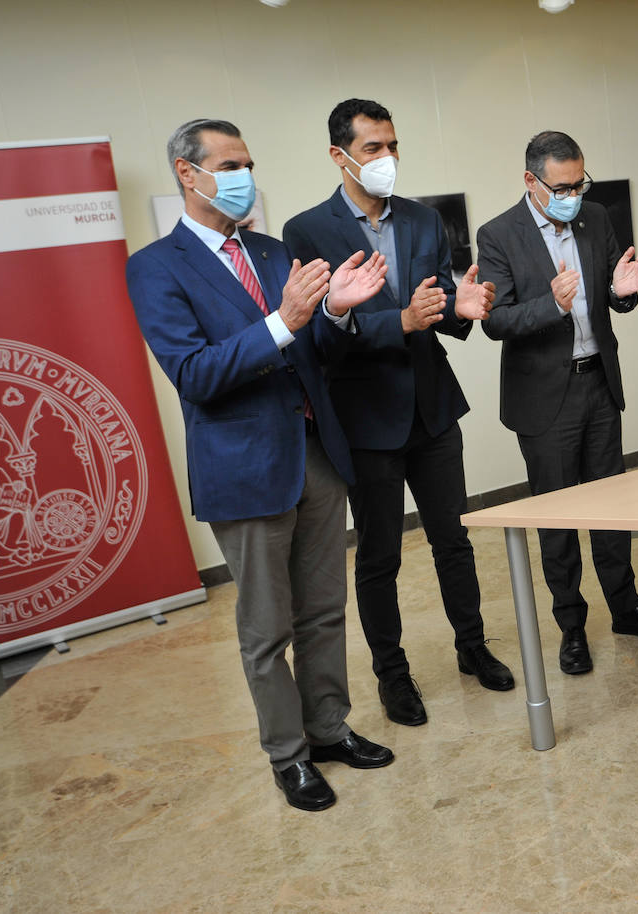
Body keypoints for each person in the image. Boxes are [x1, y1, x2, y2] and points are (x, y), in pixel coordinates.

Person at [126, 118, 396, 812]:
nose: (245, 175)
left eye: (248, 162)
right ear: (190, 174)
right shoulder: (155, 267)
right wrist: (282, 322)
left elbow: (317, 354)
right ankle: (289, 754)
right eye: (230, 163)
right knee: (267, 628)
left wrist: (334, 312)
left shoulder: (276, 252)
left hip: (315, 456)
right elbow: (194, 373)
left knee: (325, 612)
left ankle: (330, 728)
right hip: (244, 469)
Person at [282, 99, 512, 728]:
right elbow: (321, 337)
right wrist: (399, 321)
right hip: (366, 421)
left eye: (393, 146)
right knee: (380, 556)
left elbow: (439, 299)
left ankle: (473, 647)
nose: (388, 159)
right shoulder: (306, 231)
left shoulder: (422, 219)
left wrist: (461, 310)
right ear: (340, 156)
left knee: (453, 540)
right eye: (373, 149)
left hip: (433, 410)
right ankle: (394, 674)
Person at [476, 131, 638, 675]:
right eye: (562, 186)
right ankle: (571, 625)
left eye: (579, 182)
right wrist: (553, 304)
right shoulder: (498, 234)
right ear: (531, 182)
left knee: (614, 508)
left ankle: (625, 607)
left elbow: (618, 290)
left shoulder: (595, 217)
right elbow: (496, 321)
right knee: (558, 517)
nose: (574, 194)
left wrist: (621, 290)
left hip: (598, 384)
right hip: (546, 398)